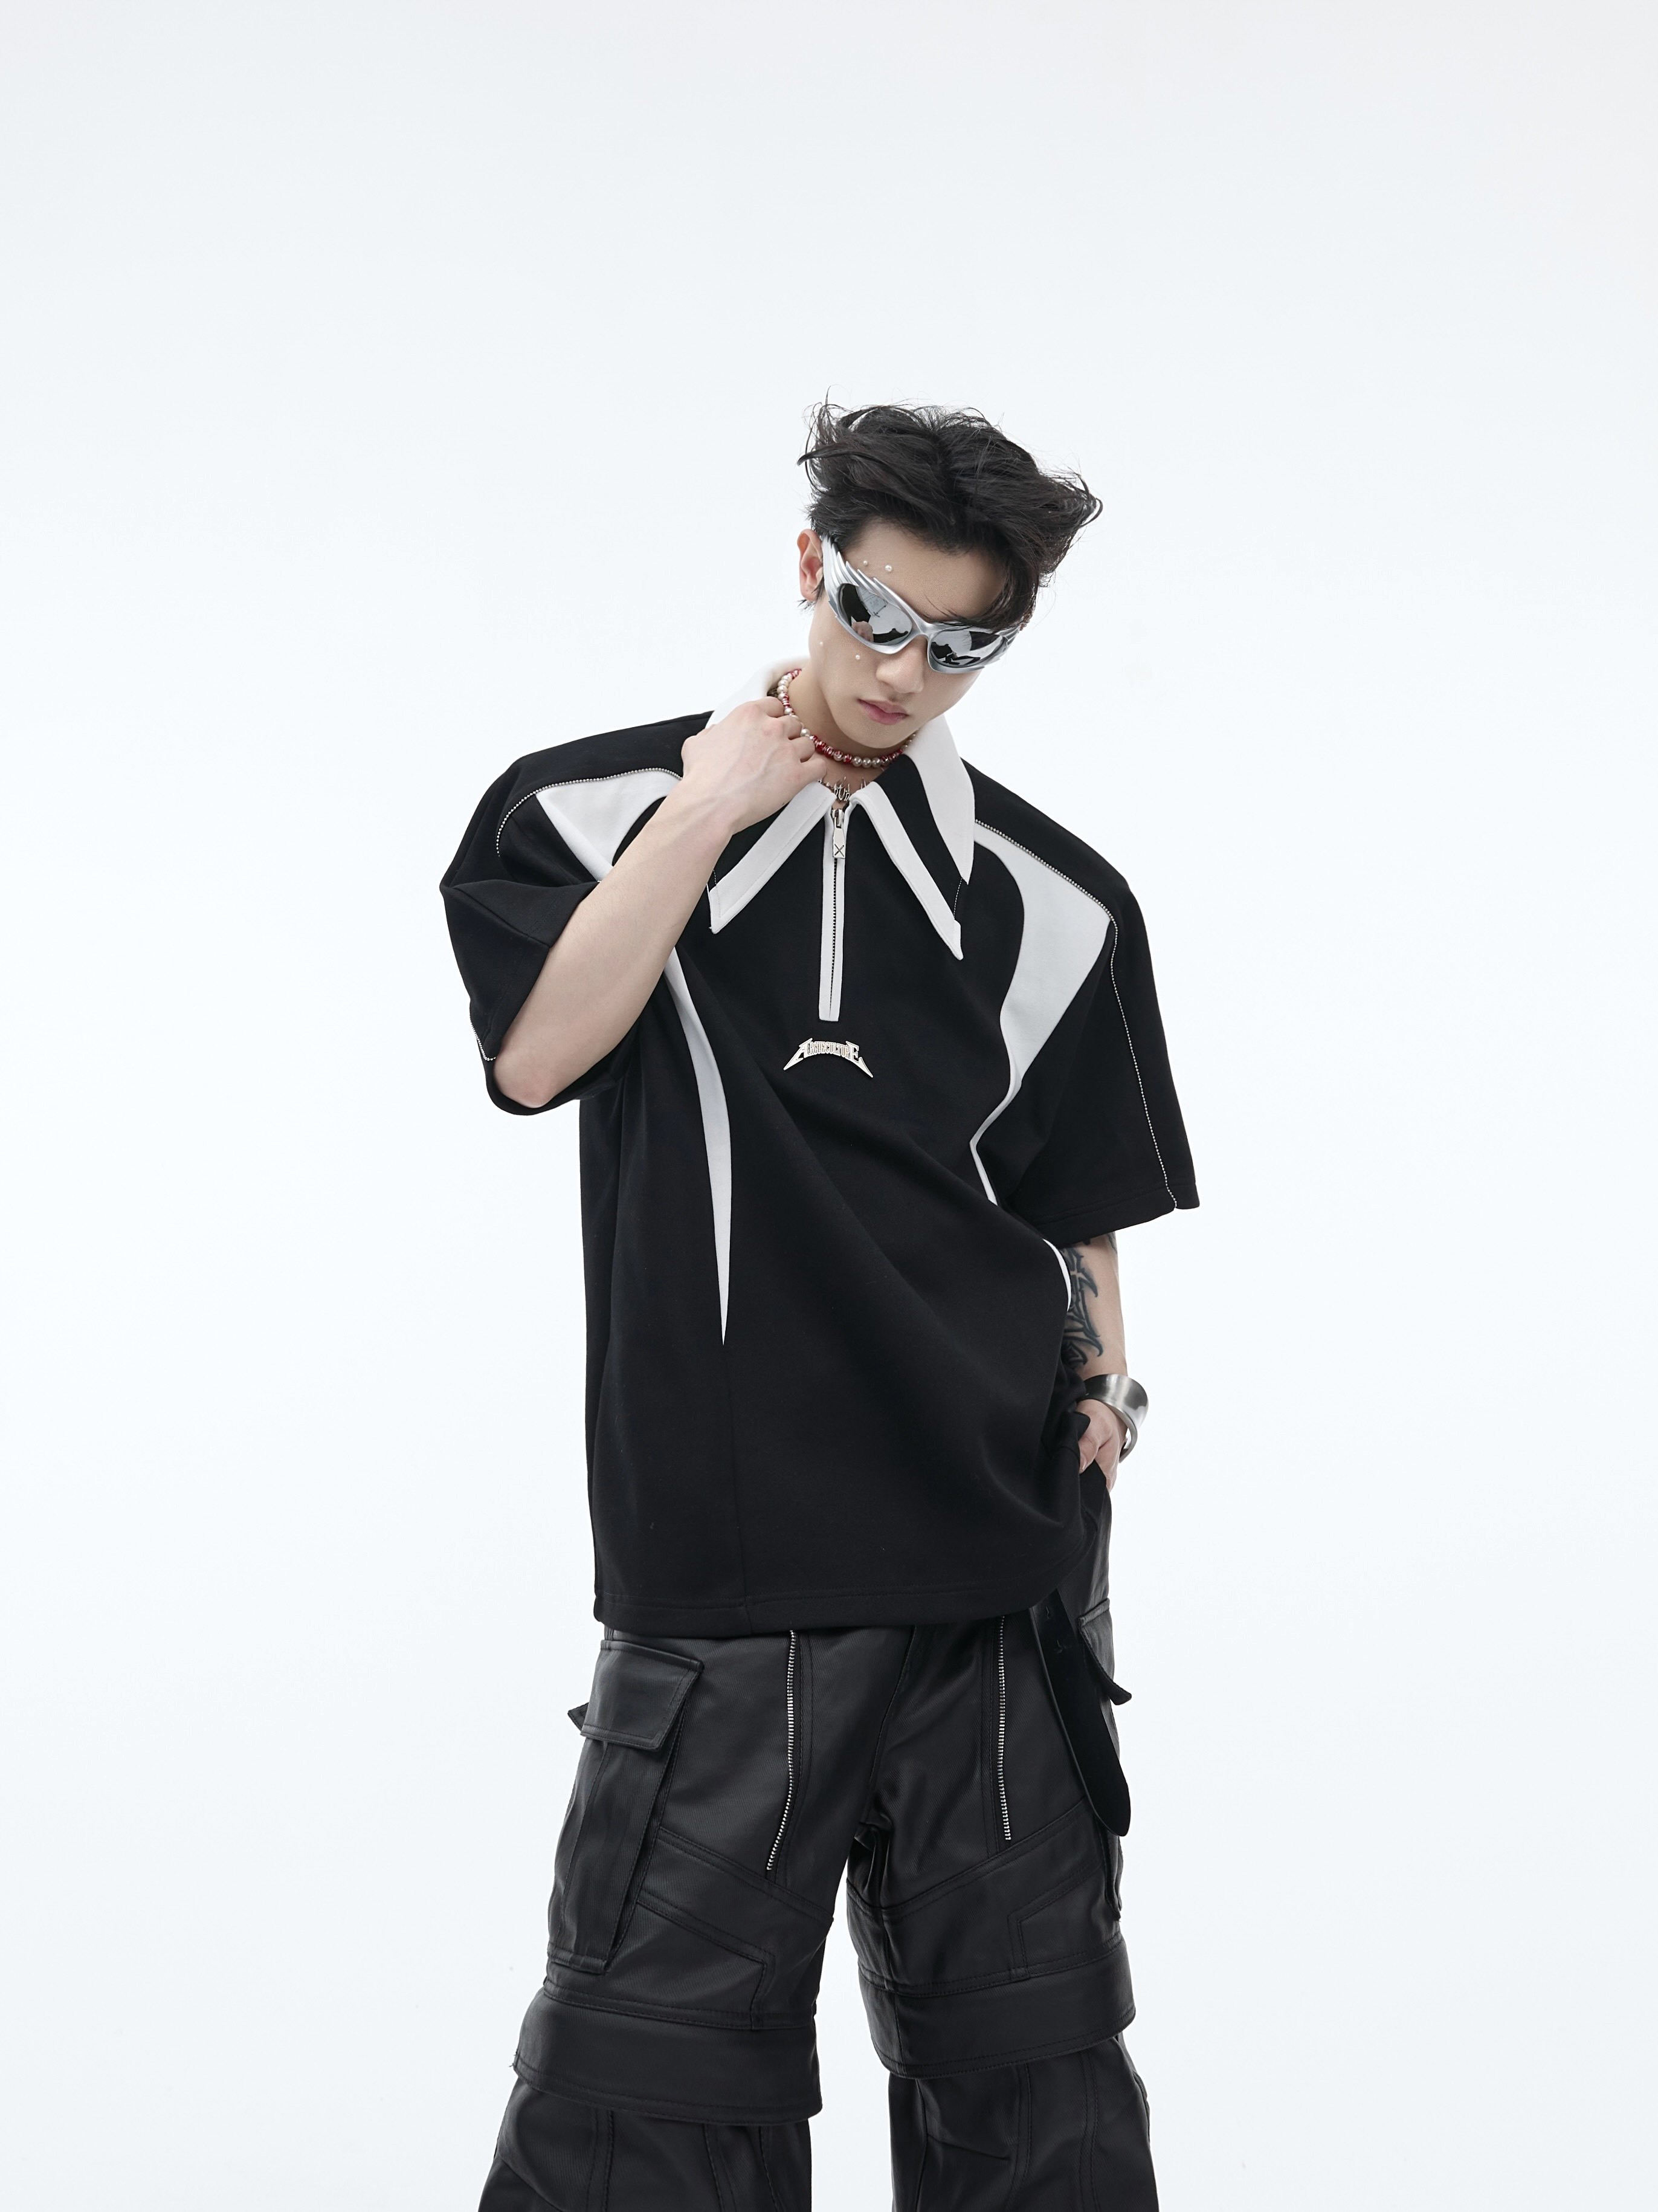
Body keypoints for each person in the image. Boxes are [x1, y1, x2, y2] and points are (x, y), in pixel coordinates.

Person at [440, 403, 1198, 2210]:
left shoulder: (1059, 899)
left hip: (1000, 1569)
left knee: (1035, 2082)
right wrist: (712, 804)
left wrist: (1112, 1386)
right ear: (813, 567)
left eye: (962, 645)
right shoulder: (587, 810)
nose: (902, 674)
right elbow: (539, 1057)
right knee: (648, 2089)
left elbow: (1072, 1197)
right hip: (729, 1566)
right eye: (875, 615)